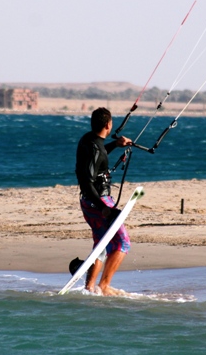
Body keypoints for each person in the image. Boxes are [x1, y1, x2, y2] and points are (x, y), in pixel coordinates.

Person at [75, 107, 132, 295]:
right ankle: (104, 286)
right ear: (108, 125)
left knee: (101, 243)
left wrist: (115, 144)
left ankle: (90, 287)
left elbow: (99, 154)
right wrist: (103, 208)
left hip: (88, 202)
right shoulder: (96, 149)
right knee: (122, 243)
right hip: (98, 202)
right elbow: (86, 181)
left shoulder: (88, 140)